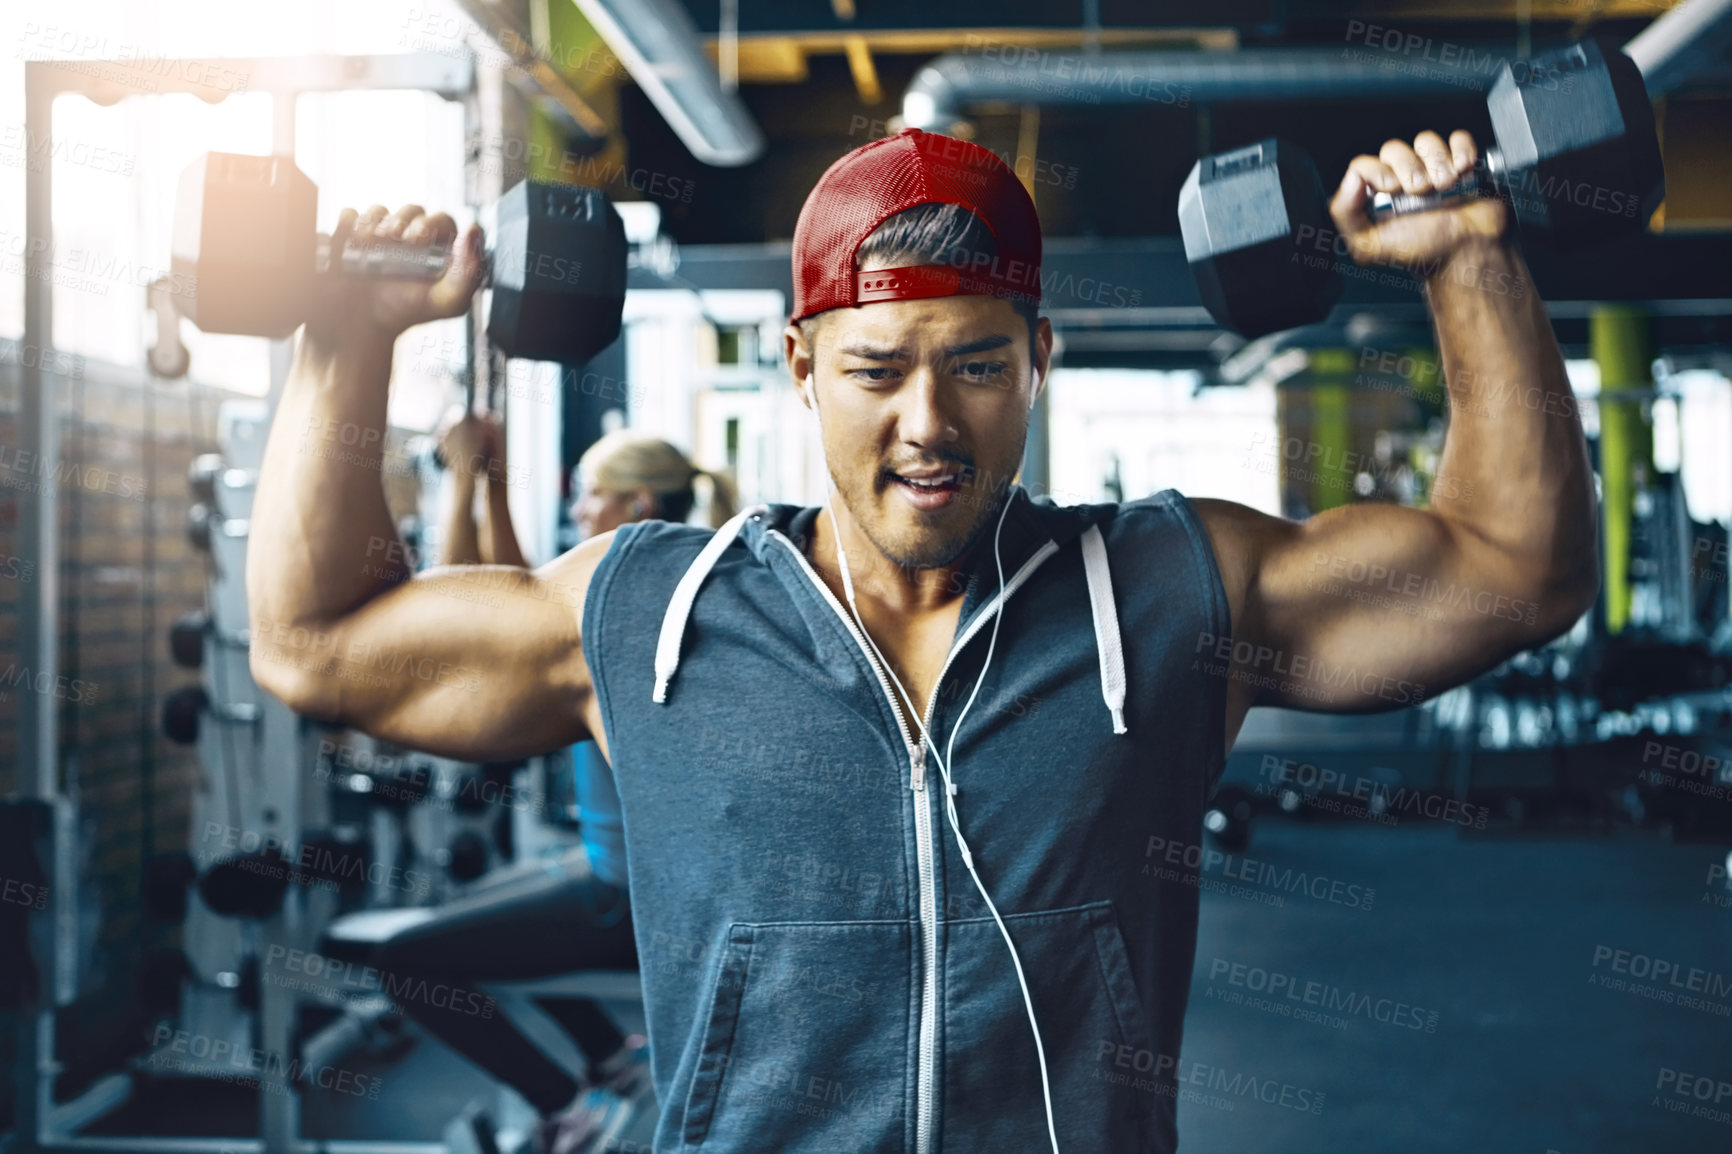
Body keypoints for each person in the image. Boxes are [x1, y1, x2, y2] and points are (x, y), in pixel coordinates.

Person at [248, 127, 1599, 1152]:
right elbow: (322, 642)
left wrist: (1470, 263)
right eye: (877, 369)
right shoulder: (649, 607)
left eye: (977, 365)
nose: (929, 427)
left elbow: (1513, 571)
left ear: (1041, 356)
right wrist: (348, 346)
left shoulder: (1172, 587)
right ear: (798, 365)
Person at [370, 416, 732, 1153]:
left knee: (404, 961)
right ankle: (610, 1059)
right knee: (492, 899)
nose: (577, 510)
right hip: (645, 882)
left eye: (591, 496)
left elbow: (470, 609)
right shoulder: (664, 582)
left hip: (631, 898)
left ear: (636, 506)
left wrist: (471, 482)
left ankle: (568, 1107)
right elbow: (520, 595)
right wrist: (490, 484)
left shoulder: (624, 597)